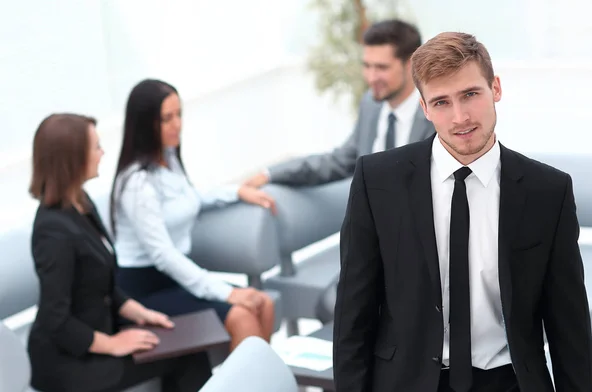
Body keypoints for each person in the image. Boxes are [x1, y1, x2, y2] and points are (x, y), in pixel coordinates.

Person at [333, 32, 592, 392]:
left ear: (496, 89)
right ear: (425, 109)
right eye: (441, 102)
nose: (460, 117)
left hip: (510, 381)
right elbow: (353, 313)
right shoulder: (377, 181)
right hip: (405, 382)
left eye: (470, 94)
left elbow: (570, 328)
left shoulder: (547, 191)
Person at [245, 19, 436, 324]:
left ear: (412, 63)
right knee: (332, 306)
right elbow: (340, 160)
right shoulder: (372, 107)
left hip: (423, 252)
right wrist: (270, 174)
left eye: (381, 68)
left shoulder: (438, 113)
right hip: (373, 247)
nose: (371, 77)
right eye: (367, 66)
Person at [27, 113, 212, 392]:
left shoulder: (81, 203)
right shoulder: (52, 231)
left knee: (189, 345)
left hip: (98, 334)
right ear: (73, 158)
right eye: (96, 147)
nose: (102, 154)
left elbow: (100, 285)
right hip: (68, 362)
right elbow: (56, 319)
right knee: (187, 356)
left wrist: (141, 313)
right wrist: (112, 344)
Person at [111, 79, 275, 352]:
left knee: (264, 304)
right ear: (144, 124)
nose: (177, 124)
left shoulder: (168, 158)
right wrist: (227, 293)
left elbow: (189, 196)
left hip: (175, 278)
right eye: (167, 118)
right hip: (144, 290)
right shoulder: (137, 183)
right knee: (242, 315)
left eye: (179, 115)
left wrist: (237, 192)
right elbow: (163, 254)